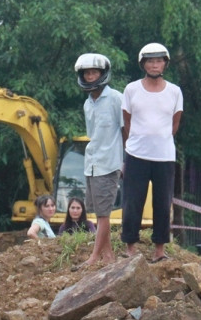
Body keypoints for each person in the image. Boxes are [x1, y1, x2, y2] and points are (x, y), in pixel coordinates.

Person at [121, 43, 183, 261]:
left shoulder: (175, 91)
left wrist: (159, 139)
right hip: (136, 153)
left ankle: (159, 251)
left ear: (165, 63)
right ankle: (130, 248)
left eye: (158, 61)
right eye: (150, 61)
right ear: (143, 64)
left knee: (162, 203)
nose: (154, 65)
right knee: (132, 201)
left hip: (164, 156)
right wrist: (137, 141)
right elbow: (126, 122)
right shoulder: (131, 89)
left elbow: (175, 124)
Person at [76, 53, 124, 265]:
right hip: (92, 163)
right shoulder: (87, 104)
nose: (90, 76)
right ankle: (108, 256)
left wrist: (124, 161)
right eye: (87, 73)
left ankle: (94, 257)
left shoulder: (116, 98)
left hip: (109, 163)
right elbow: (91, 134)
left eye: (94, 72)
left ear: (102, 74)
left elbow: (126, 130)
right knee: (97, 213)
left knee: (104, 214)